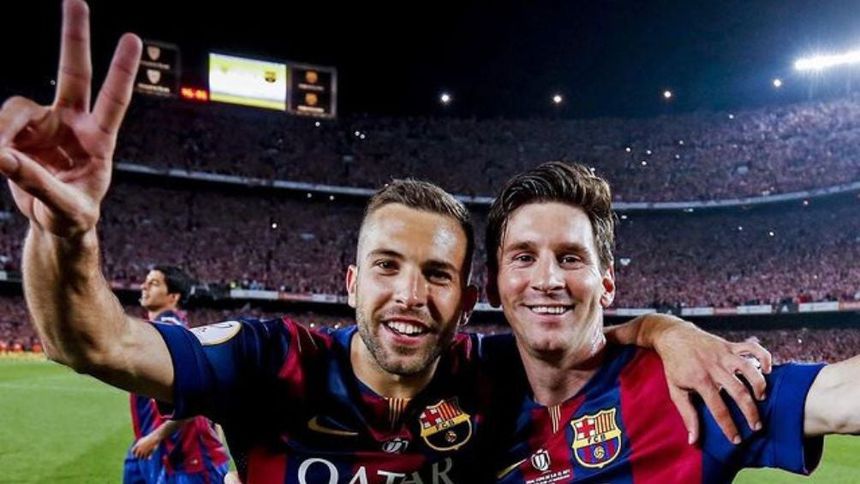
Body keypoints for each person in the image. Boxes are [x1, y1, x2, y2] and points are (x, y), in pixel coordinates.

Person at [0, 2, 770, 481]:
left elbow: (584, 339)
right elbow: (93, 343)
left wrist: (666, 330)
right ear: (351, 282)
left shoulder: (494, 372)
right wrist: (67, 235)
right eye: (387, 266)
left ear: (467, 300)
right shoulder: (274, 361)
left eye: (436, 273)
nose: (409, 294)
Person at [485, 161, 860, 482]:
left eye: (570, 258)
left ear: (607, 285)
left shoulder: (684, 385)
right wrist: (655, 326)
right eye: (523, 257)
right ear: (491, 287)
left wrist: (663, 329)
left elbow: (840, 397)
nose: (548, 280)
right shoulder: (469, 386)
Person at [124, 266, 230, 483]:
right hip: (158, 446)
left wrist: (155, 437)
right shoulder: (165, 330)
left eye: (154, 283)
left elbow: (198, 394)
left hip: (189, 456)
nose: (144, 286)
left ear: (173, 296)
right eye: (146, 281)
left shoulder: (169, 332)